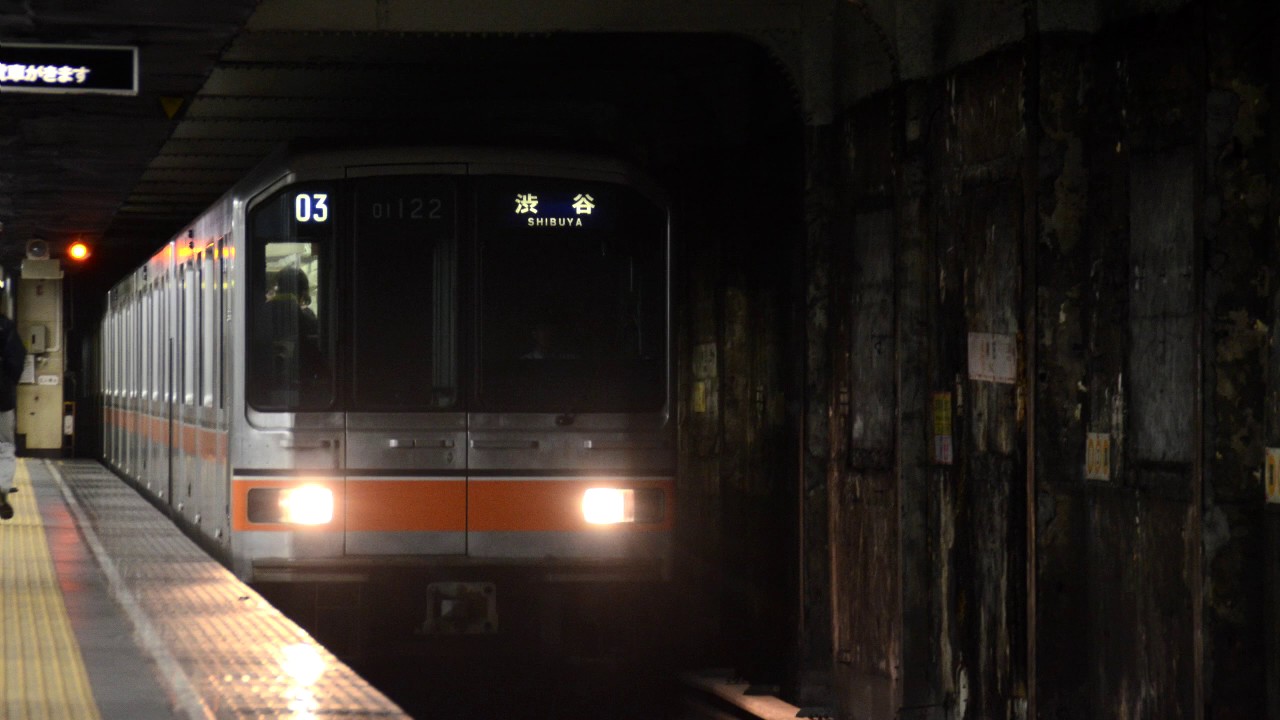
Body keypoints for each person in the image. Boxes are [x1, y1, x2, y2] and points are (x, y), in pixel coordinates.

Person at [0, 311, 26, 520]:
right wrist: (8, 384)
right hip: (2, 399)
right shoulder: (4, 326)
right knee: (4, 446)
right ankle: (1, 487)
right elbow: (17, 359)